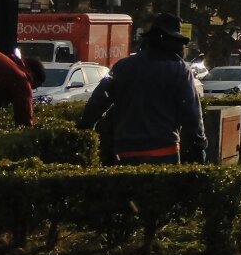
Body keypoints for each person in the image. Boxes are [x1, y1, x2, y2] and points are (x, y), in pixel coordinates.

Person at [78, 13, 207, 165]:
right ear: (176, 43)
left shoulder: (122, 67)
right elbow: (191, 114)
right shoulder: (179, 70)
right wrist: (198, 147)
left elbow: (98, 101)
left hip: (124, 151)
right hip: (164, 150)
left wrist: (84, 129)